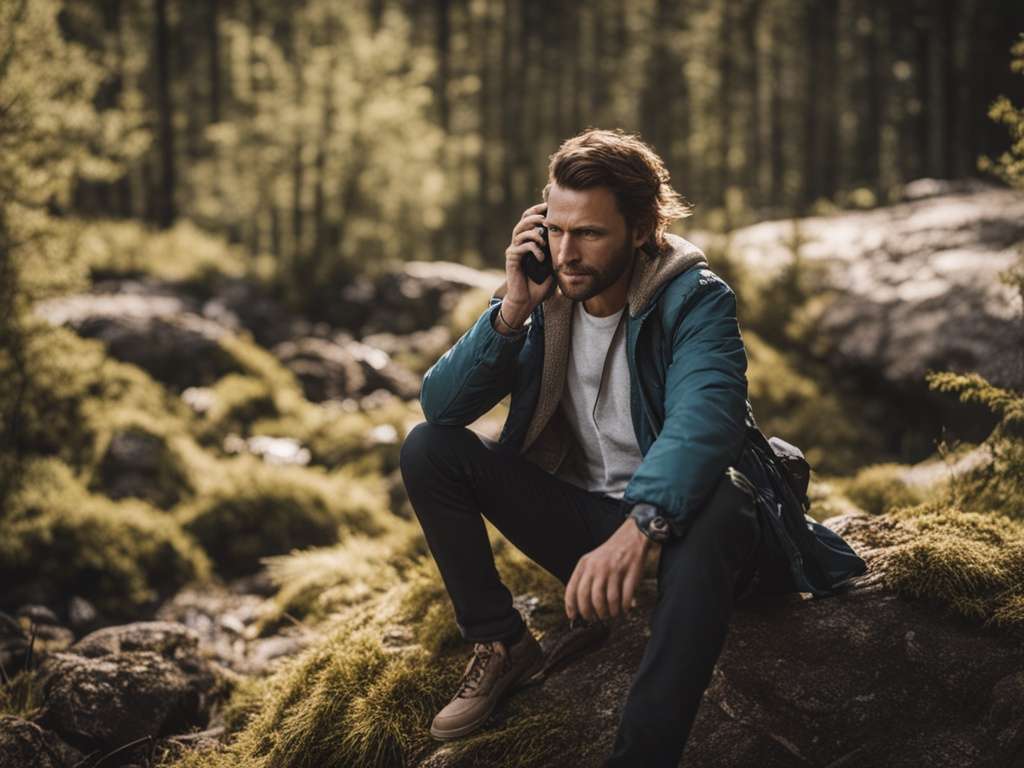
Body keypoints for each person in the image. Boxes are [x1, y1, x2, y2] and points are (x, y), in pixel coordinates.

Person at [399, 128, 799, 766]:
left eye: (588, 233)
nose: (566, 252)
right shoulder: (543, 302)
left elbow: (705, 420)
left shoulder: (695, 300)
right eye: (555, 229)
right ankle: (503, 644)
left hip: (682, 526)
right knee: (429, 448)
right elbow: (441, 407)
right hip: (592, 525)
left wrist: (641, 525)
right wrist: (510, 311)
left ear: (641, 229)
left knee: (724, 497)